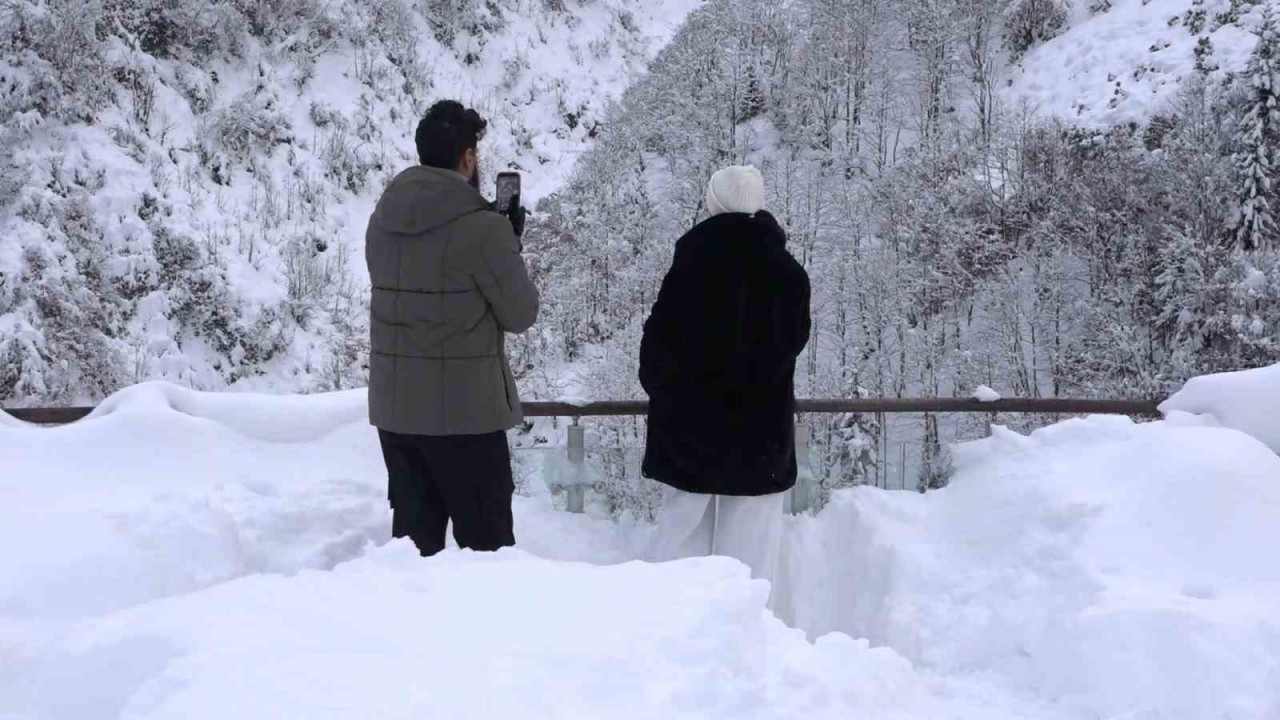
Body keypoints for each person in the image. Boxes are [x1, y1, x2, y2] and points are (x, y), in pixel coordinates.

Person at [365, 100, 539, 557]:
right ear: (467, 157)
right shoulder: (484, 229)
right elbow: (520, 314)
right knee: (486, 552)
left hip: (397, 412)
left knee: (413, 554)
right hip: (467, 418)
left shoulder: (381, 221)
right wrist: (509, 245)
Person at [639, 165, 811, 591]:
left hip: (689, 429)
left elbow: (657, 348)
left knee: (678, 552)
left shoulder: (690, 267)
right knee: (751, 561)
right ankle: (746, 639)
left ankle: (674, 637)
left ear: (713, 203)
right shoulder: (789, 274)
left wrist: (666, 393)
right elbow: (793, 342)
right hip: (761, 433)